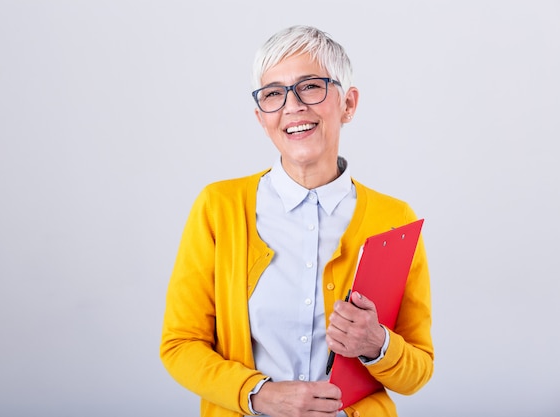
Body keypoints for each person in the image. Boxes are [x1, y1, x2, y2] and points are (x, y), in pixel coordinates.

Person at [160, 25, 433, 417]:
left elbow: (418, 372)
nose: (292, 106)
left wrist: (376, 343)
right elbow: (180, 345)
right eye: (274, 93)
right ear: (261, 116)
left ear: (348, 104)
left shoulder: (393, 219)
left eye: (310, 86)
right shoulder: (218, 208)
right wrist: (258, 394)